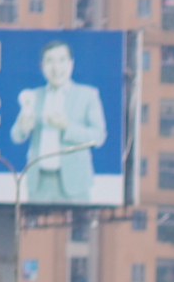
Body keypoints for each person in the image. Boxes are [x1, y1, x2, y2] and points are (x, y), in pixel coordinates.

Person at [8, 41, 107, 203]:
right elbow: (15, 135)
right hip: (39, 182)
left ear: (71, 64)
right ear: (42, 67)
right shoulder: (34, 95)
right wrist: (22, 127)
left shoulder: (87, 95)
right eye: (50, 62)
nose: (56, 68)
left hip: (75, 183)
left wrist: (66, 126)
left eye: (61, 60)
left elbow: (99, 136)